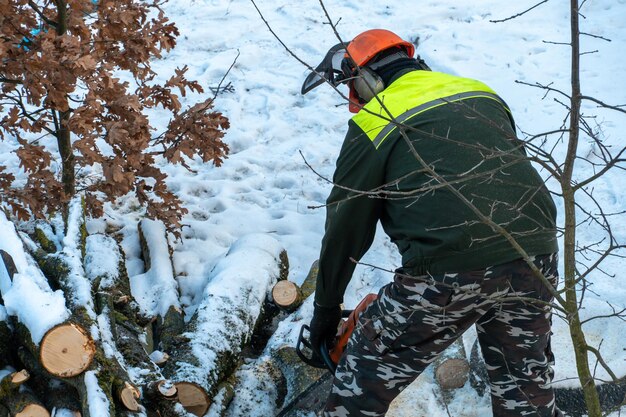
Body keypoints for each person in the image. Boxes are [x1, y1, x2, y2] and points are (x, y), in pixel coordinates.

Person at [301, 29, 561, 417]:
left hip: (446, 269)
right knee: (525, 389)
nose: (355, 102)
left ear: (367, 76)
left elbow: (345, 229)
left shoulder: (376, 118)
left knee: (363, 373)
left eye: (354, 88)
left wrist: (325, 314)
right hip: (534, 253)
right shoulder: (478, 91)